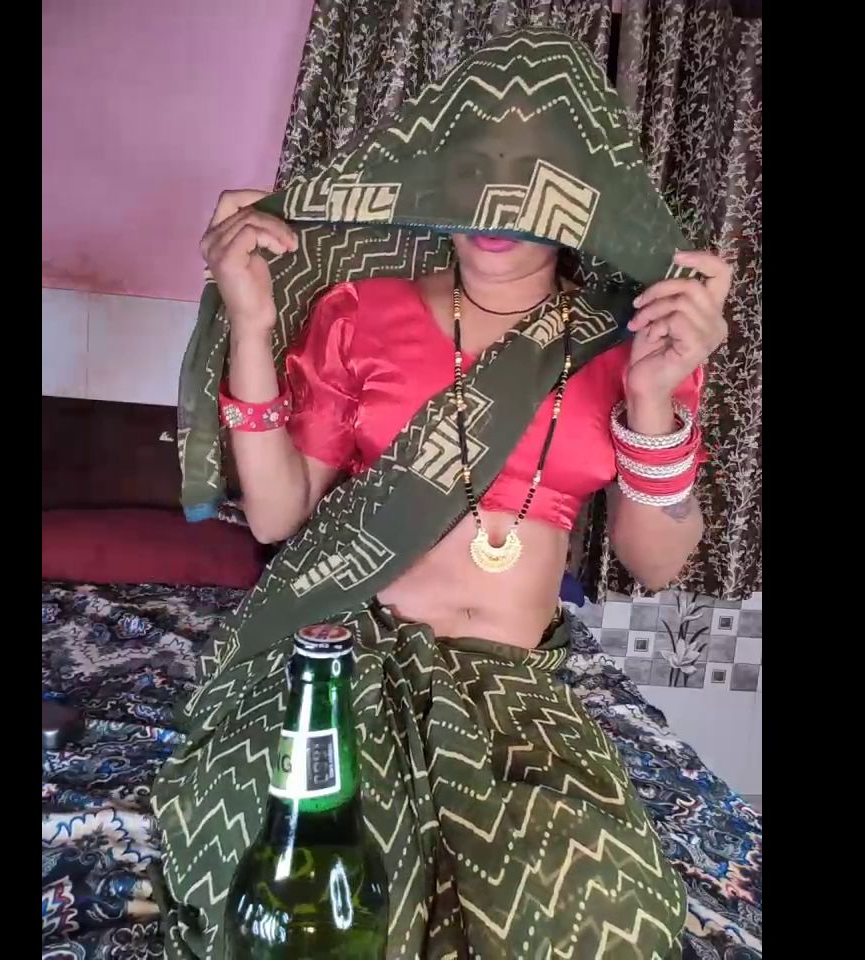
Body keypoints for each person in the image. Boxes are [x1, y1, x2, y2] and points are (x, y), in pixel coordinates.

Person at [152, 30, 730, 958]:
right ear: (433, 179)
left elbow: (654, 562)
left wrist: (654, 397)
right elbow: (278, 516)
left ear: (580, 190)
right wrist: (253, 328)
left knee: (584, 915)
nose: (497, 199)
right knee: (321, 890)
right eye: (473, 166)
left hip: (515, 686)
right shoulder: (361, 312)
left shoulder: (636, 340)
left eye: (530, 173)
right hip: (353, 649)